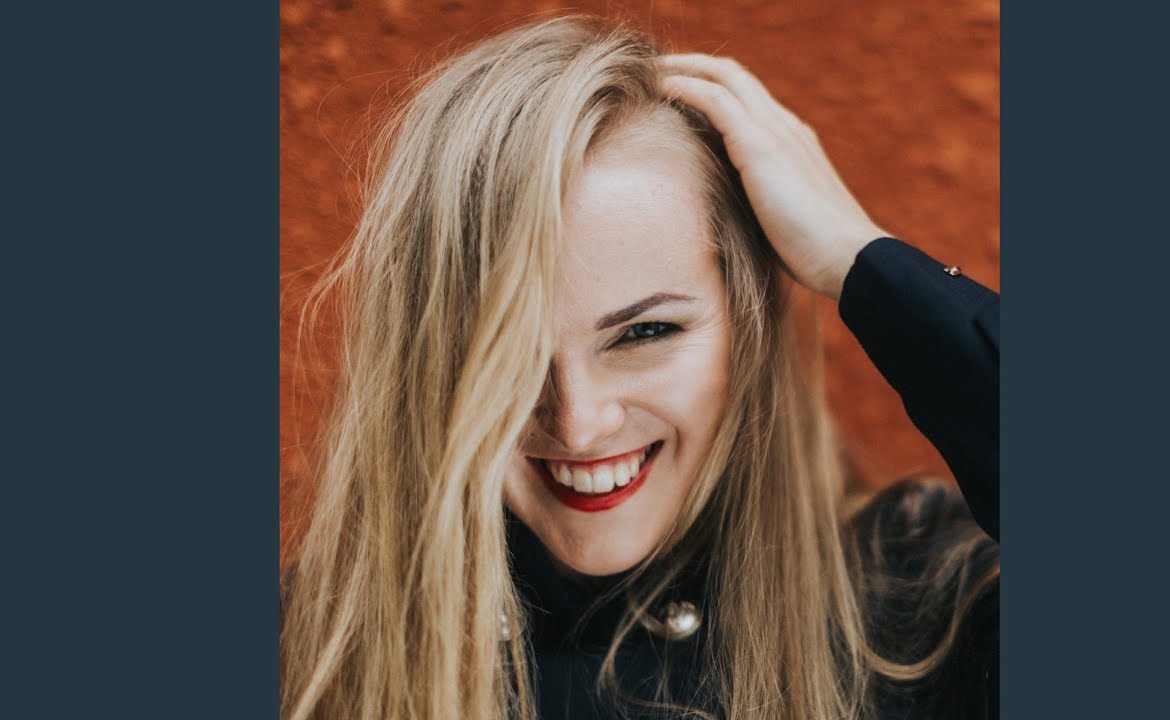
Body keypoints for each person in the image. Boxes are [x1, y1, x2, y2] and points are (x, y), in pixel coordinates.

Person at [281, 16, 999, 720]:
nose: (579, 423)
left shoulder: (926, 608)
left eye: (646, 332)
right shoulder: (304, 651)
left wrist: (859, 259)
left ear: (746, 328)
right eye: (504, 351)